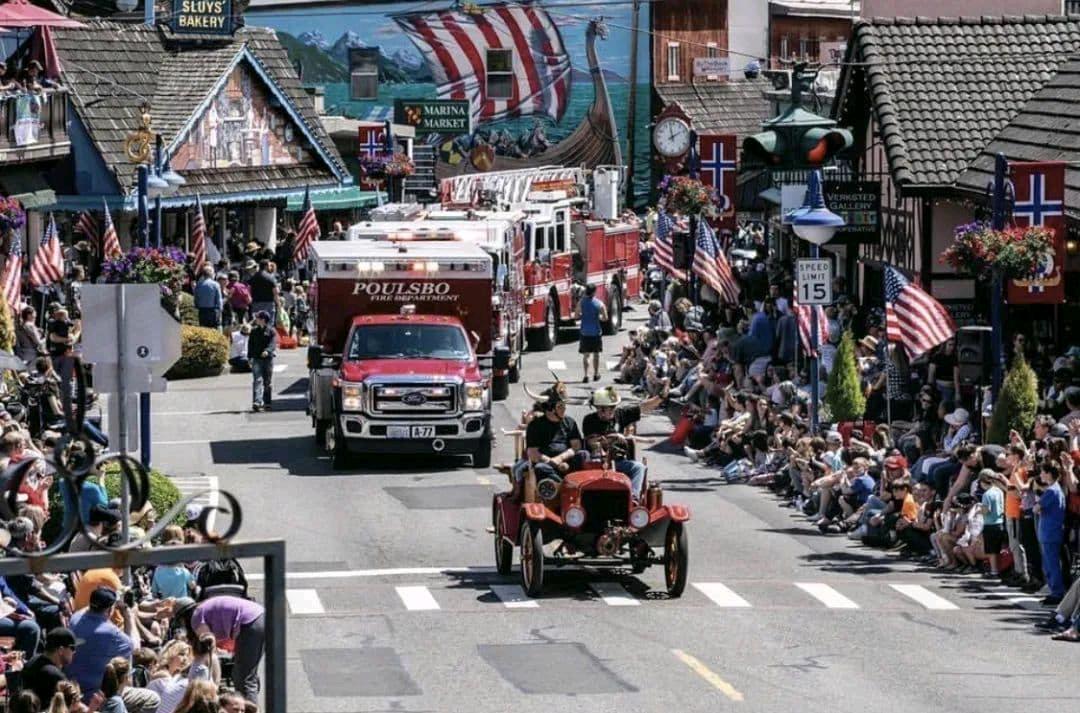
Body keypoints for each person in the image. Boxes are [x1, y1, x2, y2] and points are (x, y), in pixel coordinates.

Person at [173, 596, 264, 703]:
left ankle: (250, 709)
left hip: (250, 622)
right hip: (259, 617)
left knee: (243, 678)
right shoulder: (203, 610)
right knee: (245, 674)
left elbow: (207, 641)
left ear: (184, 618)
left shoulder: (196, 618)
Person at [580, 386, 651, 498]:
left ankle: (633, 498)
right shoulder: (589, 420)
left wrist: (662, 396)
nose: (604, 412)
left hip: (619, 461)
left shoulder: (620, 414)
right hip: (596, 462)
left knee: (638, 467)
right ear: (597, 407)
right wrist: (614, 436)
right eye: (601, 408)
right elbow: (591, 441)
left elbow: (644, 407)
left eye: (612, 408)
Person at [66, 588, 134, 702]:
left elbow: (86, 611)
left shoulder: (75, 618)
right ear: (110, 609)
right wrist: (126, 614)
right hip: (96, 697)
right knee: (151, 698)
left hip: (72, 689)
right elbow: (131, 646)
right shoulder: (113, 634)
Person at [522, 393, 583, 488]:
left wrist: (560, 459)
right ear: (550, 409)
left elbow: (576, 446)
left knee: (584, 455)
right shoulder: (535, 425)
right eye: (560, 406)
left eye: (564, 406)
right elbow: (533, 453)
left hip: (568, 462)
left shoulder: (569, 422)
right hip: (547, 465)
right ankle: (562, 486)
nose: (564, 409)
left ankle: (581, 486)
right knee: (540, 468)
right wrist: (553, 462)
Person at [22, 627, 79, 704]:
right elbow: (73, 706)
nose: (74, 652)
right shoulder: (55, 676)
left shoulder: (33, 661)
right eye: (72, 648)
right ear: (61, 650)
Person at [0, 575, 42, 659]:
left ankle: (20, 662)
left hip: (3, 611)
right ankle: (26, 668)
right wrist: (12, 615)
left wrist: (25, 610)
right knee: (31, 628)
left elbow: (7, 592)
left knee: (31, 618)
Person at [574, 284, 607, 383]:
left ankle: (586, 375)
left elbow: (576, 316)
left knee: (586, 355)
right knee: (596, 354)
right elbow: (605, 317)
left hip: (585, 332)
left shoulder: (581, 302)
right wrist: (598, 317)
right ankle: (596, 374)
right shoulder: (599, 303)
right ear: (594, 292)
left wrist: (582, 315)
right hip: (596, 332)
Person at [247, 311, 276, 412]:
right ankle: (257, 401)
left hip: (268, 359)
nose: (256, 319)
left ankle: (267, 402)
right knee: (257, 380)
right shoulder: (254, 331)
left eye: (258, 318)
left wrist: (267, 351)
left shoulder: (271, 331)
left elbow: (273, 344)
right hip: (256, 358)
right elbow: (250, 345)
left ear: (263, 320)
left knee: (267, 381)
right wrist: (249, 357)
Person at [246, 260, 278, 326]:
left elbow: (248, 290)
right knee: (269, 323)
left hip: (256, 303)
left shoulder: (253, 277)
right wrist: (278, 303)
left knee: (257, 322)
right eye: (269, 265)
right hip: (268, 303)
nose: (270, 267)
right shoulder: (270, 277)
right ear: (266, 266)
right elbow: (275, 292)